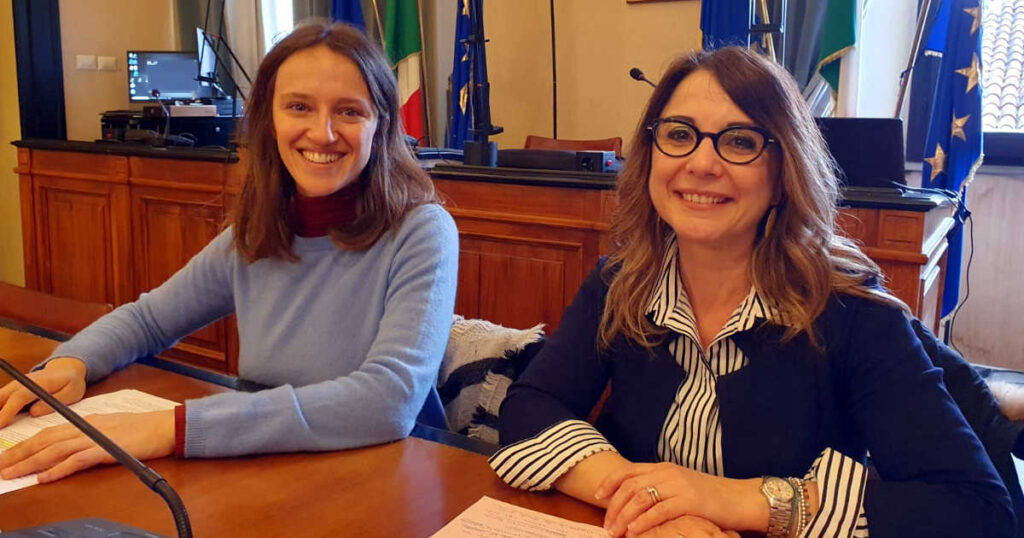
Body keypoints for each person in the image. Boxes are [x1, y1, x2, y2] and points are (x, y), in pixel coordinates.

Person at [489, 47, 1013, 538]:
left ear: (785, 170)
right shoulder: (619, 282)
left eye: (740, 141)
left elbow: (972, 508)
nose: (700, 163)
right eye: (678, 134)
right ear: (651, 153)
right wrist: (652, 502)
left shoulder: (855, 312)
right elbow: (531, 408)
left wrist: (735, 500)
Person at [0, 22, 458, 482]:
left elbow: (388, 400)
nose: (322, 133)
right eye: (299, 106)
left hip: (391, 468)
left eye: (349, 112)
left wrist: (173, 428)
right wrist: (71, 362)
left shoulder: (421, 231)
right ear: (269, 120)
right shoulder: (259, 228)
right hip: (273, 462)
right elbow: (149, 320)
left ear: (381, 125)